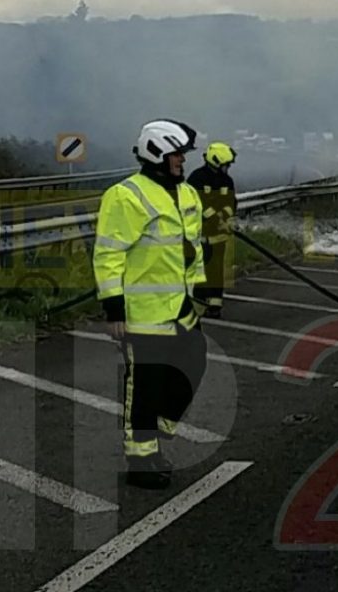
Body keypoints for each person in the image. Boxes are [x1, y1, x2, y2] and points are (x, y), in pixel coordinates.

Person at [92, 119, 208, 490]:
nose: (182, 162)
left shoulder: (188, 193)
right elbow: (108, 256)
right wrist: (114, 310)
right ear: (156, 152)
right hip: (143, 315)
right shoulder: (125, 196)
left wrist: (201, 291)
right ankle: (141, 460)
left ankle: (157, 429)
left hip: (181, 309)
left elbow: (194, 249)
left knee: (193, 363)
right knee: (143, 386)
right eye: (177, 154)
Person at [187, 141, 238, 318]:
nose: (228, 168)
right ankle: (198, 305)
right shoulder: (196, 178)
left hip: (219, 236)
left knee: (216, 271)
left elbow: (232, 203)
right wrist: (215, 218)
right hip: (200, 236)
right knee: (199, 272)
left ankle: (215, 306)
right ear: (216, 161)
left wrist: (225, 217)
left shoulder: (227, 181)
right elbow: (196, 203)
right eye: (226, 164)